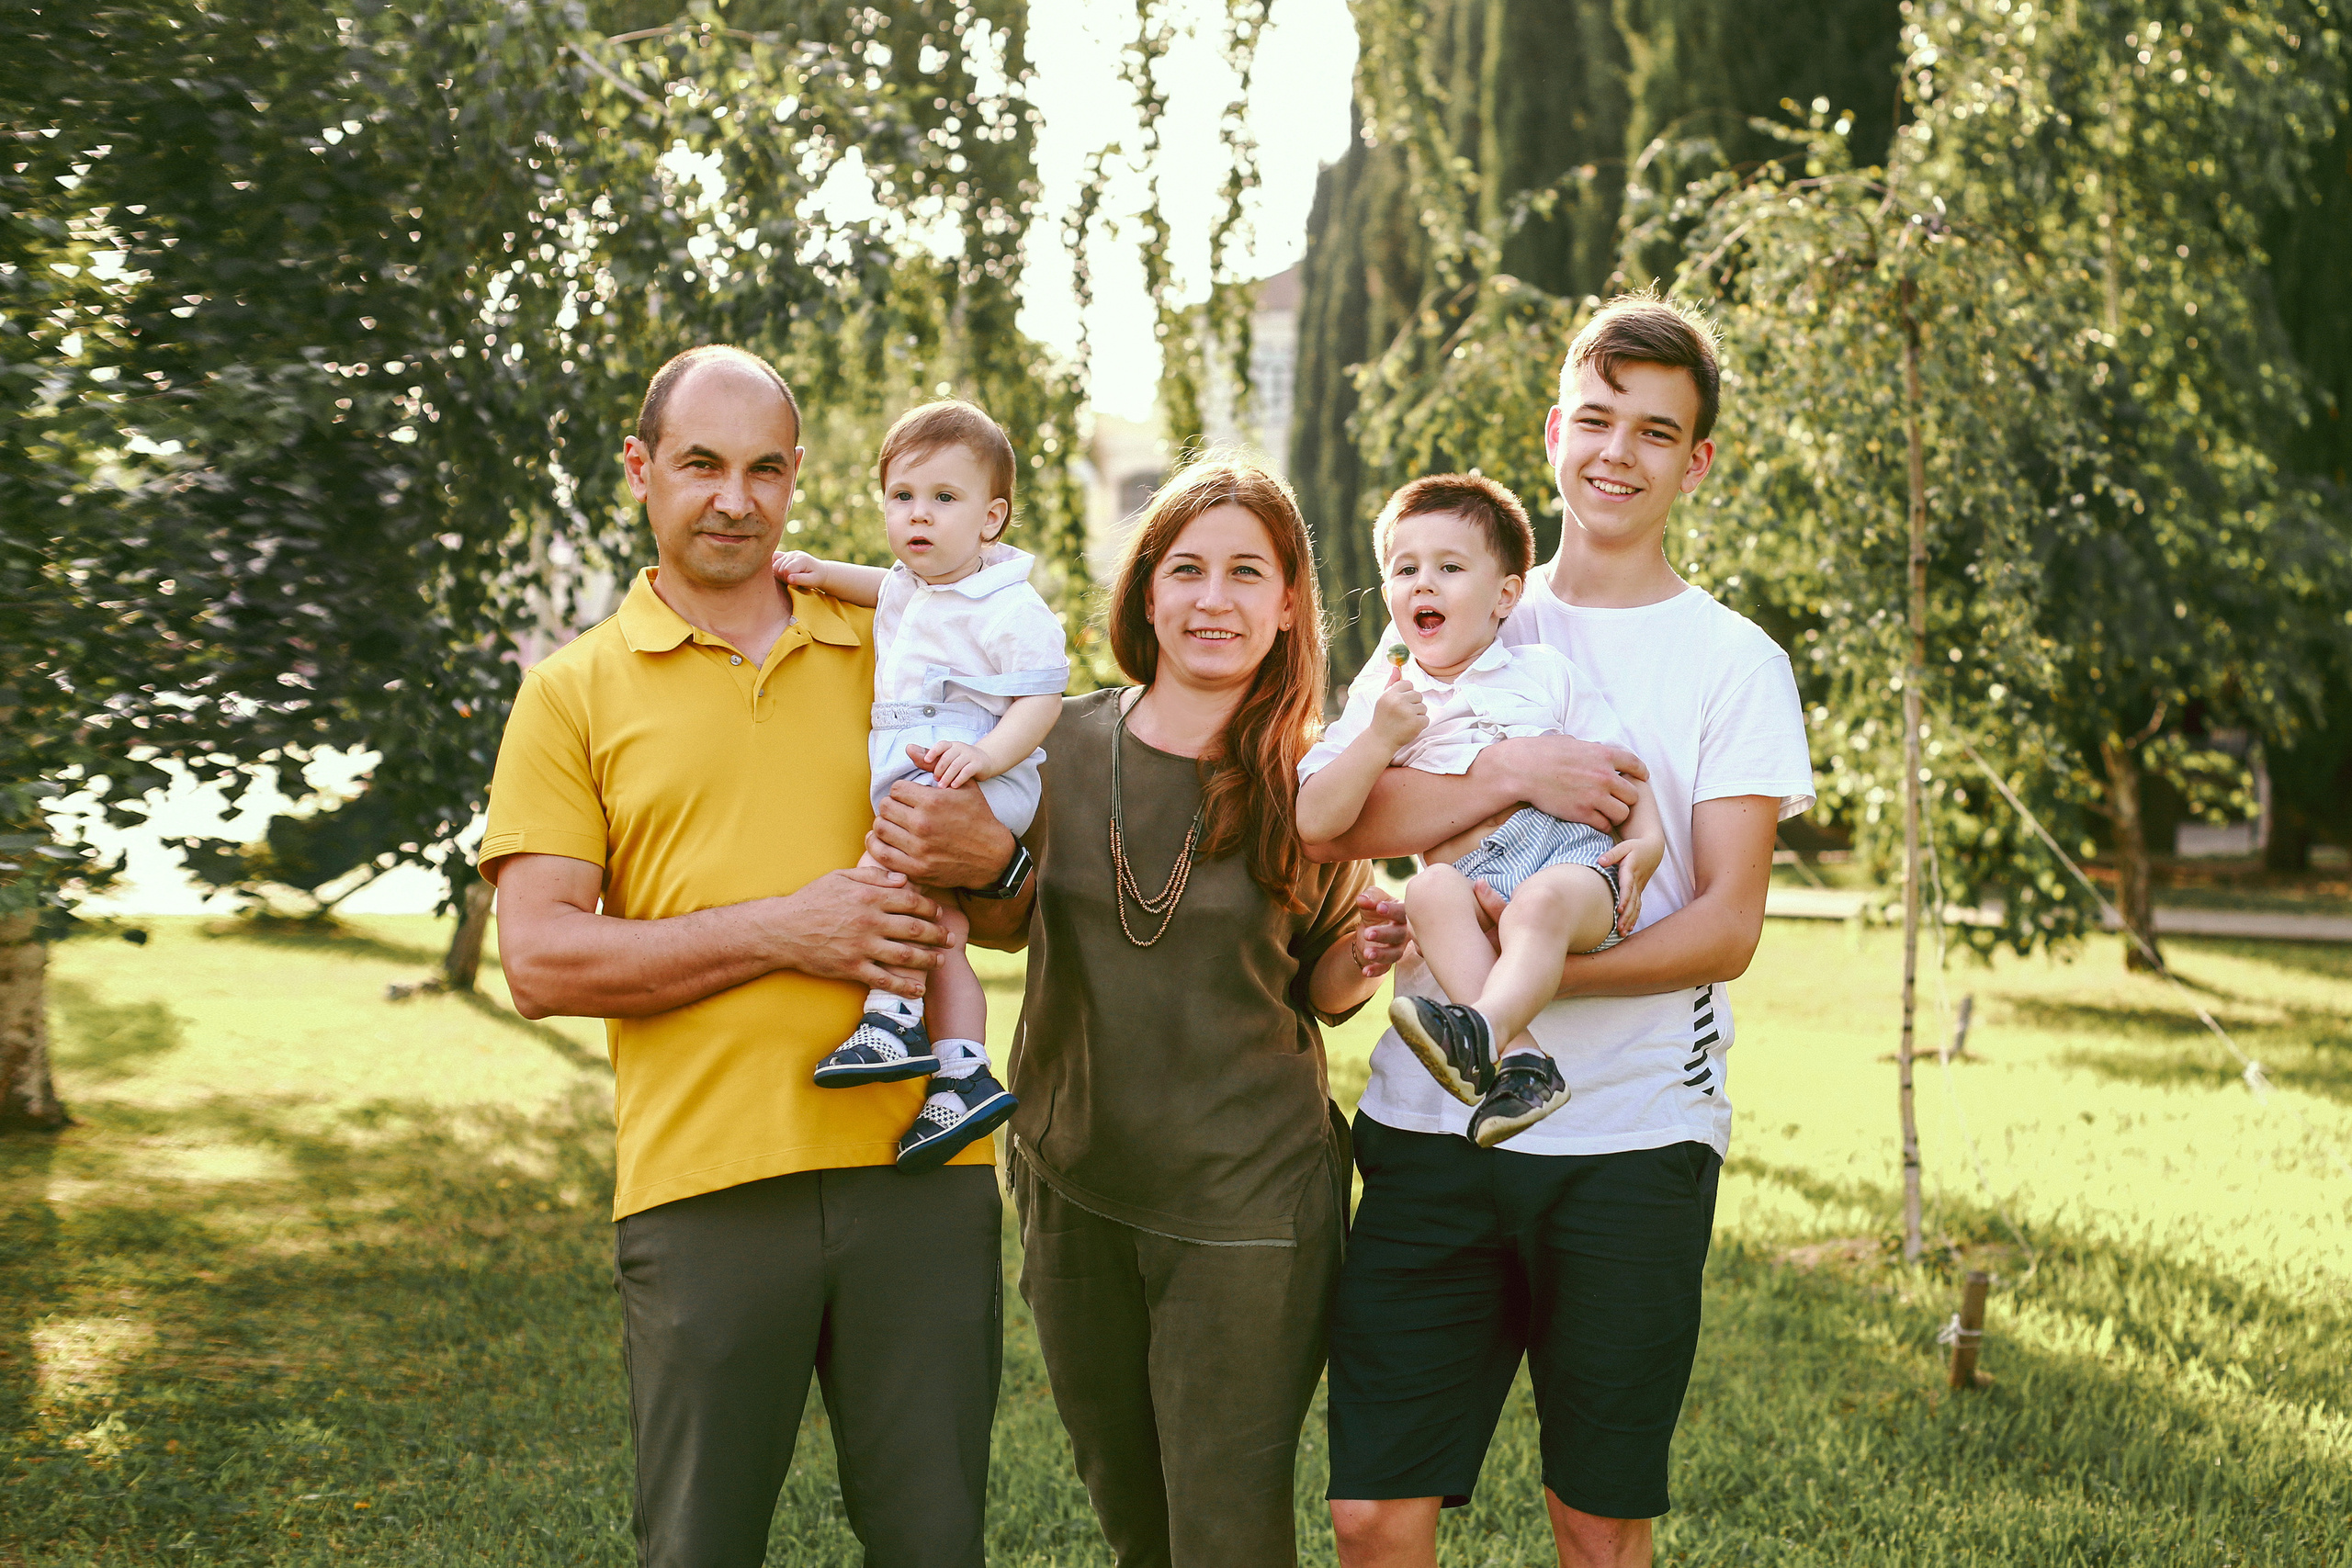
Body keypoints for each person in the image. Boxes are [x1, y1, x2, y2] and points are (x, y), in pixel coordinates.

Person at [480, 344, 1029, 1568]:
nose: (734, 497)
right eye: (701, 464)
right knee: (700, 1544)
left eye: (765, 468)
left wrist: (990, 850)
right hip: (707, 1186)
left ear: (794, 479)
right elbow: (543, 960)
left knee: (936, 1541)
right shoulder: (570, 693)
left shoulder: (906, 639)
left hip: (922, 1170)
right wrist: (791, 928)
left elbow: (1017, 905)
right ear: (642, 471)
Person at [1312, 295, 1816, 1568]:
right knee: (1373, 1512)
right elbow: (1351, 812)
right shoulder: (1455, 599)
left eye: (1657, 432)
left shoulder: (1733, 660)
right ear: (1553, 428)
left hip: (1631, 1141)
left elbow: (1725, 925)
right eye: (1596, 418)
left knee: (1597, 1524)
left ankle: (1498, 1037)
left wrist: (1533, 966)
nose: (1617, 452)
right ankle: (1488, 1045)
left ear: (1696, 461)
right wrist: (1518, 770)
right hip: (1427, 1133)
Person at [959, 457, 1409, 1568]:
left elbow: (1319, 991)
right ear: (1147, 591)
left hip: (1250, 1208)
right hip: (1075, 1188)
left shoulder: (1312, 778)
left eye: (1247, 573)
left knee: (1224, 1532)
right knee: (1134, 1524)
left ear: (1288, 602)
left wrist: (1364, 955)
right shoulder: (1049, 743)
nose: (1215, 600)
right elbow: (994, 914)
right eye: (1189, 570)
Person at [1296, 474, 1667, 1147]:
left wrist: (1648, 844)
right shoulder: (1384, 695)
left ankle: (1483, 1031)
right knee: (1428, 889)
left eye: (1449, 567)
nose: (1424, 584)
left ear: (1505, 596)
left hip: (1572, 861)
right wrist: (1380, 739)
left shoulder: (1544, 673)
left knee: (1538, 906)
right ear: (1387, 594)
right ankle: (1523, 1059)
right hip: (1471, 876)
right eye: (1405, 569)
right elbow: (1316, 820)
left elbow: (1623, 774)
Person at [776, 398, 1069, 1167]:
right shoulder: (916, 585)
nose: (920, 515)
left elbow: (1042, 696)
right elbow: (885, 588)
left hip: (975, 771)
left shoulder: (1008, 604)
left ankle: (891, 1016)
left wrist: (990, 759)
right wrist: (819, 573)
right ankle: (962, 1073)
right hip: (931, 767)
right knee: (944, 931)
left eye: (945, 498)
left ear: (991, 518)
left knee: (881, 876)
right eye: (903, 497)